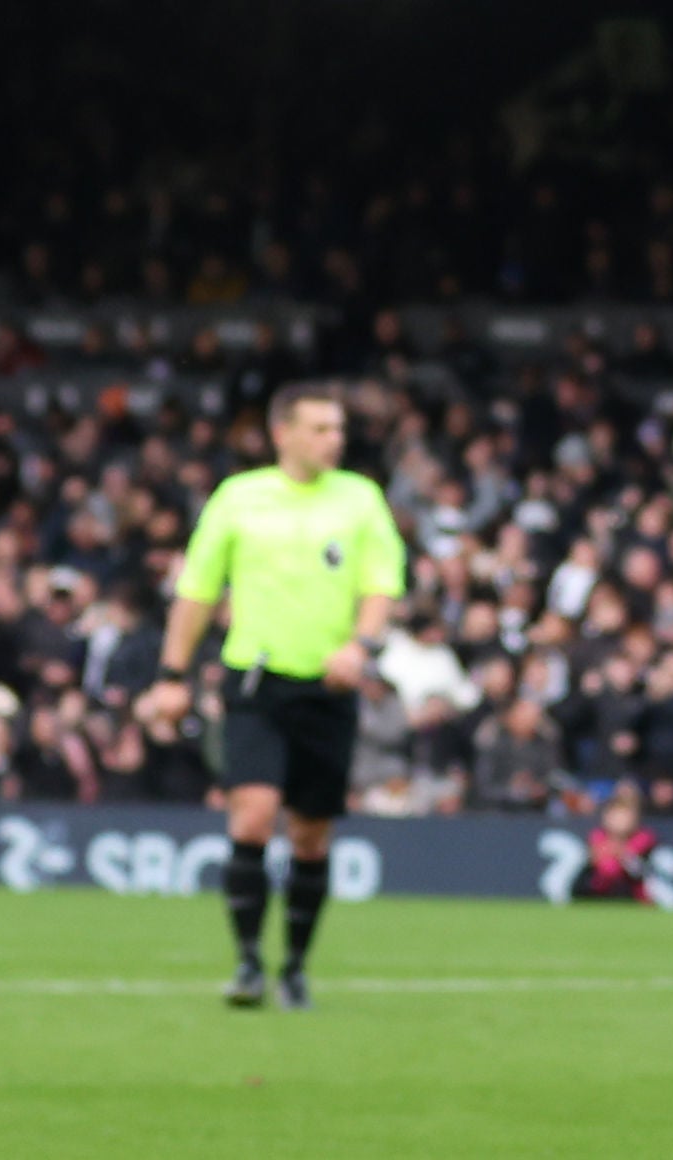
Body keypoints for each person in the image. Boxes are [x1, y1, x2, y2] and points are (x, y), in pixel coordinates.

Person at [135, 384, 406, 1010]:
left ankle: (297, 967)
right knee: (252, 815)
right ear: (283, 433)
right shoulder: (240, 498)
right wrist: (172, 675)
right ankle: (250, 962)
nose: (334, 439)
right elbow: (197, 591)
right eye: (320, 429)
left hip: (329, 686)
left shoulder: (360, 499)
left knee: (311, 836)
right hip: (256, 682)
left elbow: (380, 584)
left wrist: (360, 647)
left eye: (338, 429)